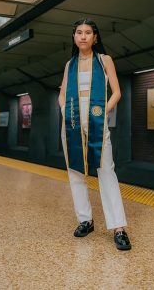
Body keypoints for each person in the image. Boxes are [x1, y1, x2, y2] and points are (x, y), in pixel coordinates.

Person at [58, 18, 131, 250]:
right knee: (75, 171)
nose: (83, 36)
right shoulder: (70, 65)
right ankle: (85, 220)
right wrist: (65, 111)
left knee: (106, 171)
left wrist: (100, 114)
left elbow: (117, 92)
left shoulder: (104, 60)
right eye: (78, 32)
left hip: (97, 121)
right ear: (74, 37)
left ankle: (119, 228)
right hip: (71, 122)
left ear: (95, 37)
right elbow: (61, 94)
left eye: (88, 32)